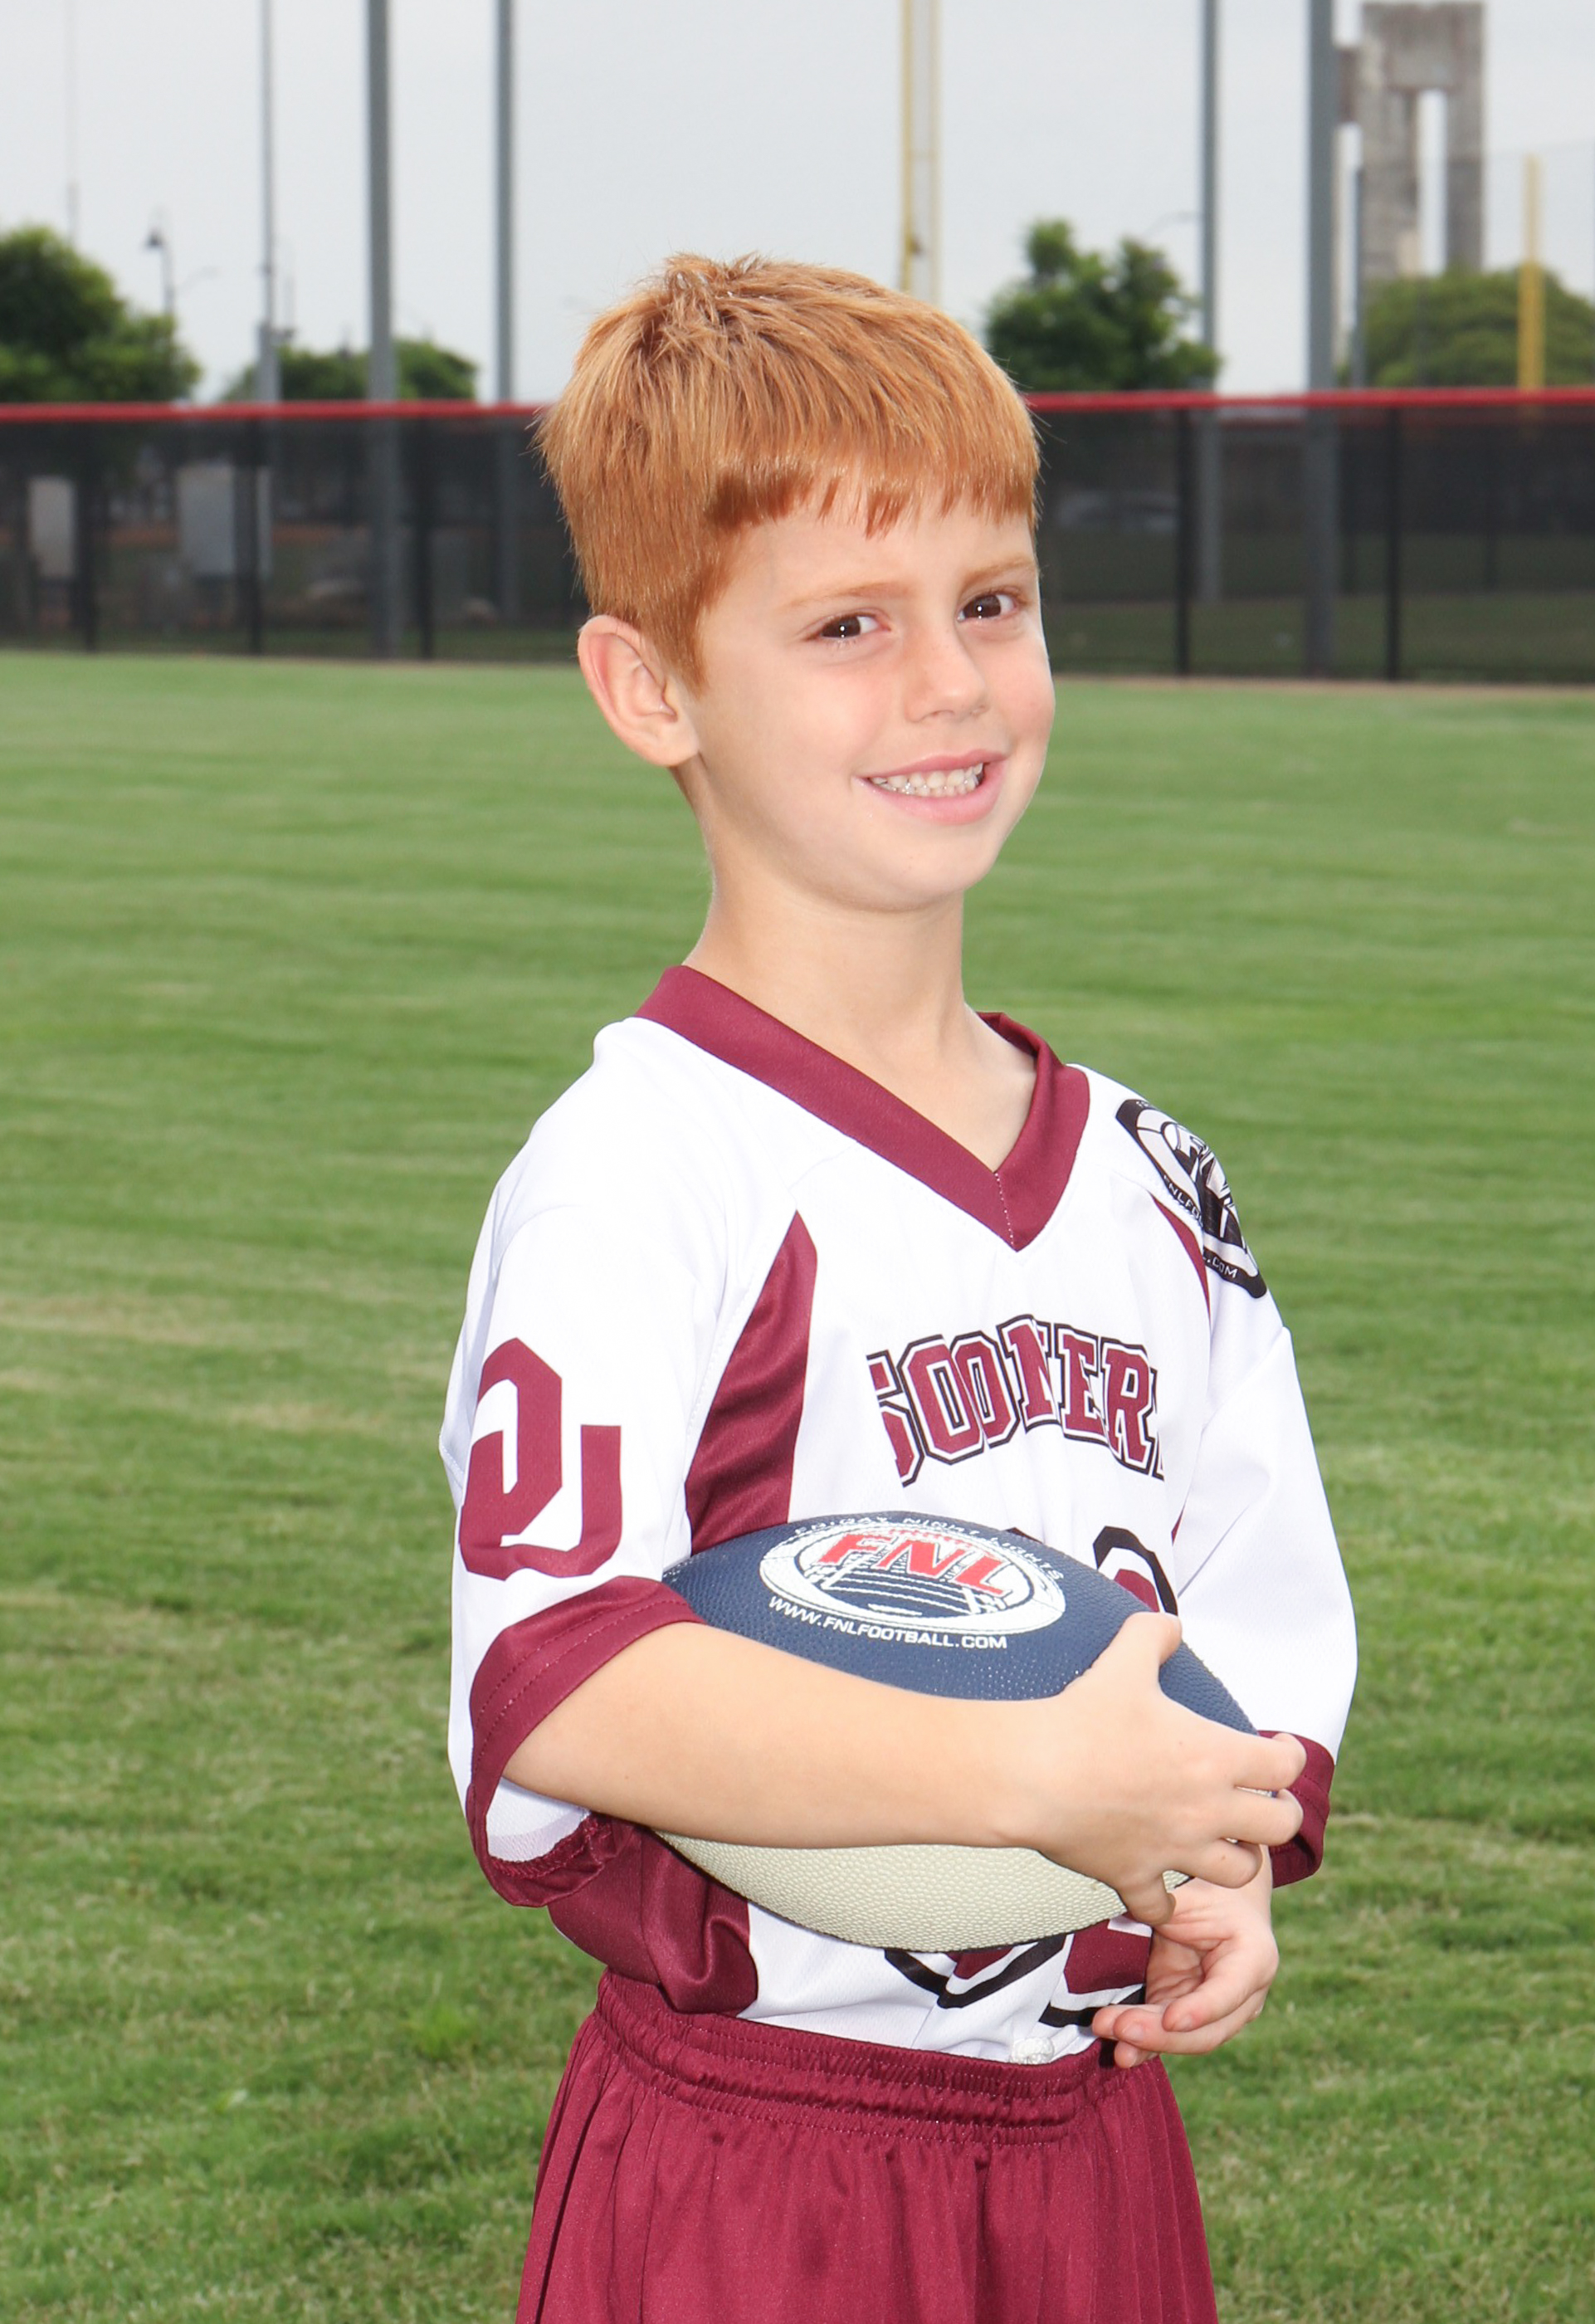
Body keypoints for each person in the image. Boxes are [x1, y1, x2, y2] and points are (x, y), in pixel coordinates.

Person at [441, 254, 1357, 2324]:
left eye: (992, 601)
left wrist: (1206, 1857)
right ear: (650, 688)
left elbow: (1241, 1632)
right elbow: (562, 1675)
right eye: (848, 624)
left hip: (1092, 2135)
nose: (948, 682)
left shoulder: (1152, 1176)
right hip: (761, 2159)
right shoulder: (643, 1167)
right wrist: (1022, 1783)